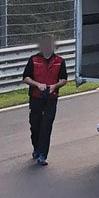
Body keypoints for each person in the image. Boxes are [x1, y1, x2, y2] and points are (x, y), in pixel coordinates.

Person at [21, 33, 67, 166]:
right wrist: (37, 84)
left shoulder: (59, 61)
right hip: (36, 96)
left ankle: (43, 154)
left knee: (46, 126)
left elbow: (64, 79)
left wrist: (55, 86)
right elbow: (25, 77)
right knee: (35, 125)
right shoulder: (34, 59)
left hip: (51, 97)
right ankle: (36, 147)